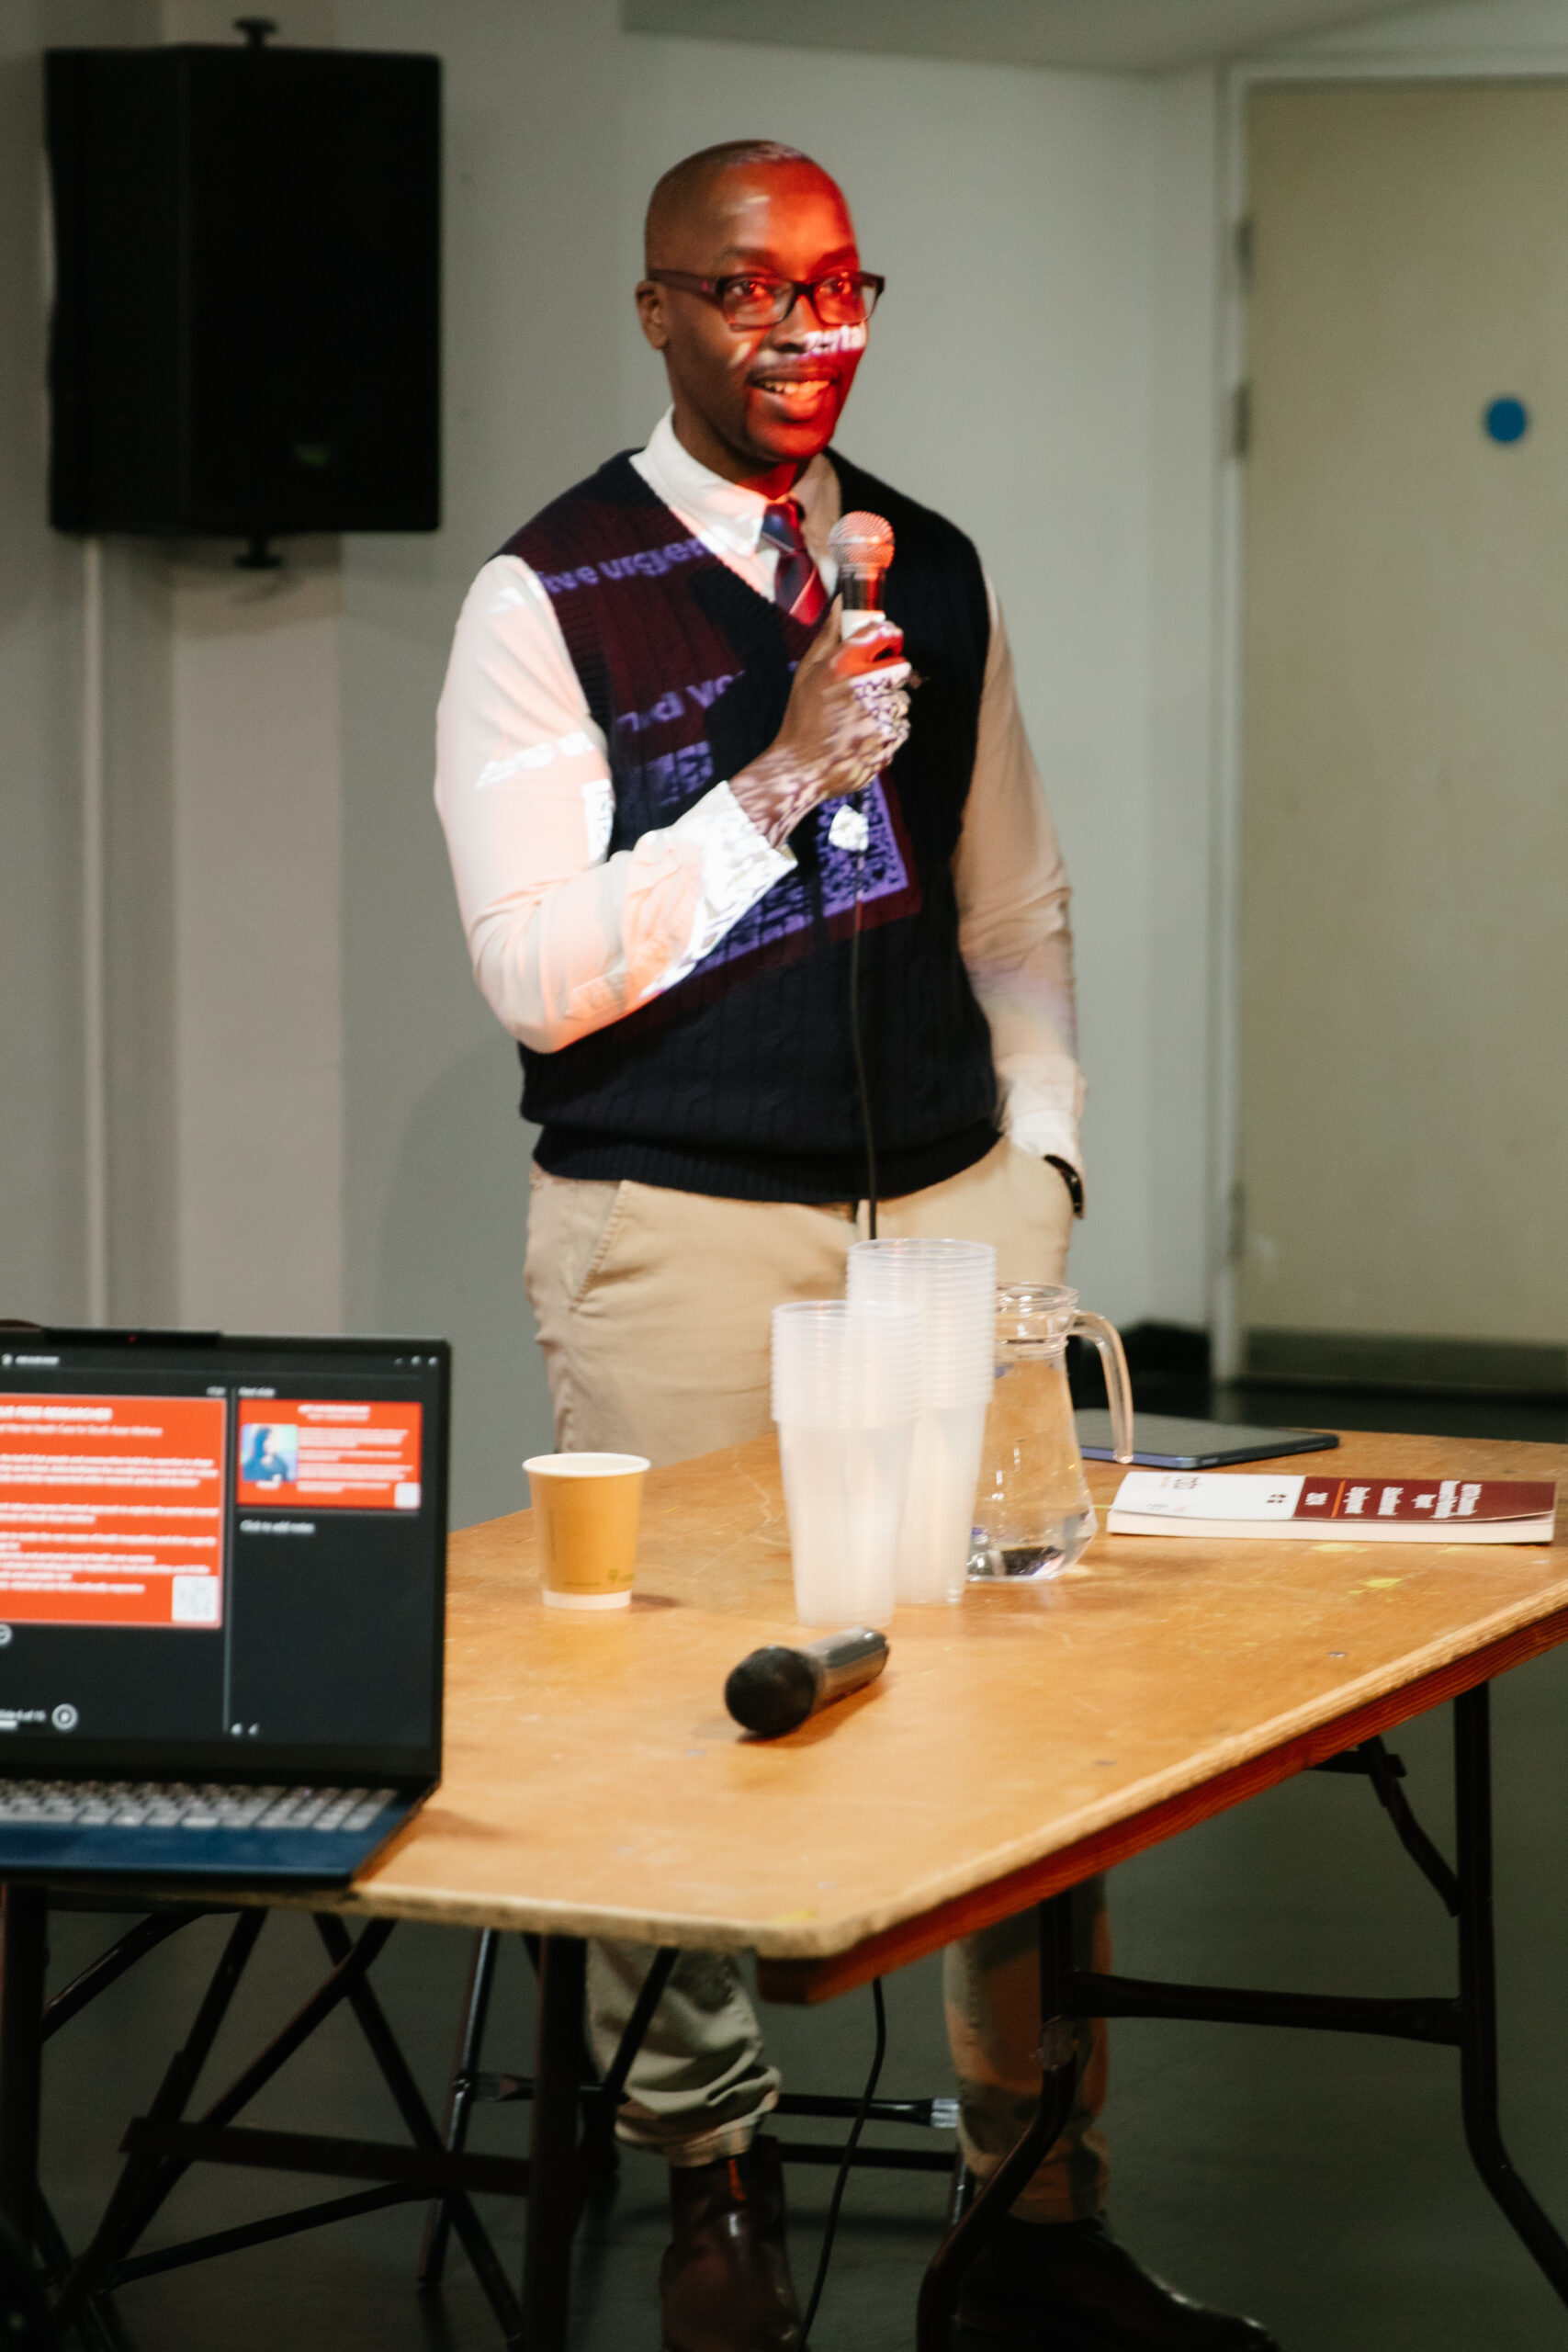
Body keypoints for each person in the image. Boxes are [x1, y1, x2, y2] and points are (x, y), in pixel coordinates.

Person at [436, 139, 1279, 2352]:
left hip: (946, 1225)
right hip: (679, 1230)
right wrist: (776, 776)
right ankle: (707, 2181)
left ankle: (1030, 2210)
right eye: (746, 289)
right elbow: (535, 976)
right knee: (671, 1718)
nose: (799, 329)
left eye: (834, 286)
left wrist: (1043, 1163)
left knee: (1024, 1723)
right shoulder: (548, 596)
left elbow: (1014, 904)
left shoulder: (932, 562)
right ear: (655, 310)